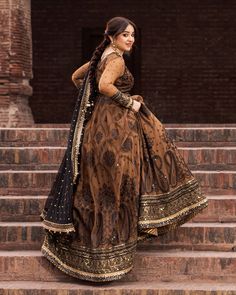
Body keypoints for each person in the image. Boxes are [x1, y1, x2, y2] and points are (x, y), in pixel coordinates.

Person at [41, 16, 208, 282]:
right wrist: (127, 103)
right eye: (125, 35)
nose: (130, 39)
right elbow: (104, 85)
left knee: (98, 189)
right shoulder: (116, 59)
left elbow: (76, 78)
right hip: (114, 133)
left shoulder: (102, 56)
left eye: (133, 35)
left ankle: (90, 254)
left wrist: (95, 103)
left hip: (97, 128)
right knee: (118, 188)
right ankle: (109, 253)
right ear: (111, 36)